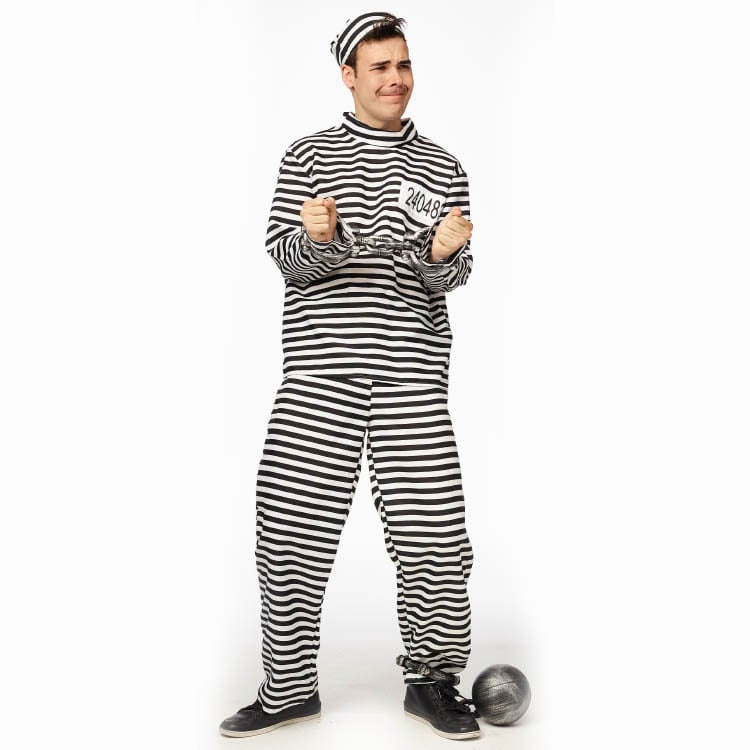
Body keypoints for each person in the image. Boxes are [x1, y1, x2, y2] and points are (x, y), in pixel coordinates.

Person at [219, 11, 480, 741]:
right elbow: (288, 261)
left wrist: (442, 254)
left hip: (412, 375)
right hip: (319, 377)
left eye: (404, 65)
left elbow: (450, 276)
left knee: (435, 534)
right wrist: (320, 238)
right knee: (289, 530)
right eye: (380, 68)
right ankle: (288, 691)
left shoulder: (445, 167)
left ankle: (432, 683)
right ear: (349, 76)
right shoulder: (307, 157)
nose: (396, 79)